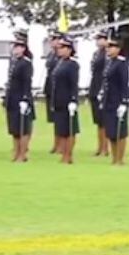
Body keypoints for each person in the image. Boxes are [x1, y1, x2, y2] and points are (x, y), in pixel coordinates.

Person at [51, 36, 81, 164]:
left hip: (68, 100)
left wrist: (74, 100)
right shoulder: (59, 63)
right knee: (61, 129)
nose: (60, 50)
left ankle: (69, 155)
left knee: (70, 130)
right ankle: (63, 154)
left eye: (63, 47)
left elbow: (74, 83)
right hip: (58, 101)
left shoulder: (73, 64)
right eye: (59, 47)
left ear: (69, 50)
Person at [101, 38, 129, 166]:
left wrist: (124, 102)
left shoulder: (121, 63)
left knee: (120, 132)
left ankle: (120, 158)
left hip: (118, 101)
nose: (109, 49)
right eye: (108, 47)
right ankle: (114, 158)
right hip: (109, 101)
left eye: (111, 47)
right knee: (111, 131)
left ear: (118, 49)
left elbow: (124, 84)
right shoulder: (109, 63)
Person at [6, 37, 35, 162]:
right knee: (14, 128)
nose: (15, 49)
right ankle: (16, 152)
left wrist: (25, 98)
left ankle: (22, 154)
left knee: (23, 128)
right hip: (12, 98)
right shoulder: (14, 62)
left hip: (21, 98)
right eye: (14, 47)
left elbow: (26, 82)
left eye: (18, 47)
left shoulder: (26, 63)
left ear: (23, 48)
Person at [88, 31, 110, 157]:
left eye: (101, 38)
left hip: (102, 88)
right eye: (98, 39)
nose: (99, 41)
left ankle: (105, 147)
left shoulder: (107, 54)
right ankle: (100, 146)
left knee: (104, 120)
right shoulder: (96, 54)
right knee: (98, 120)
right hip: (94, 86)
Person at [43, 30, 62, 154]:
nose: (52, 42)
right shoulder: (51, 54)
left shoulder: (62, 56)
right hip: (50, 88)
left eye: (55, 39)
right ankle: (56, 143)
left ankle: (60, 144)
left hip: (59, 89)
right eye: (51, 39)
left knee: (60, 118)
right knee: (53, 118)